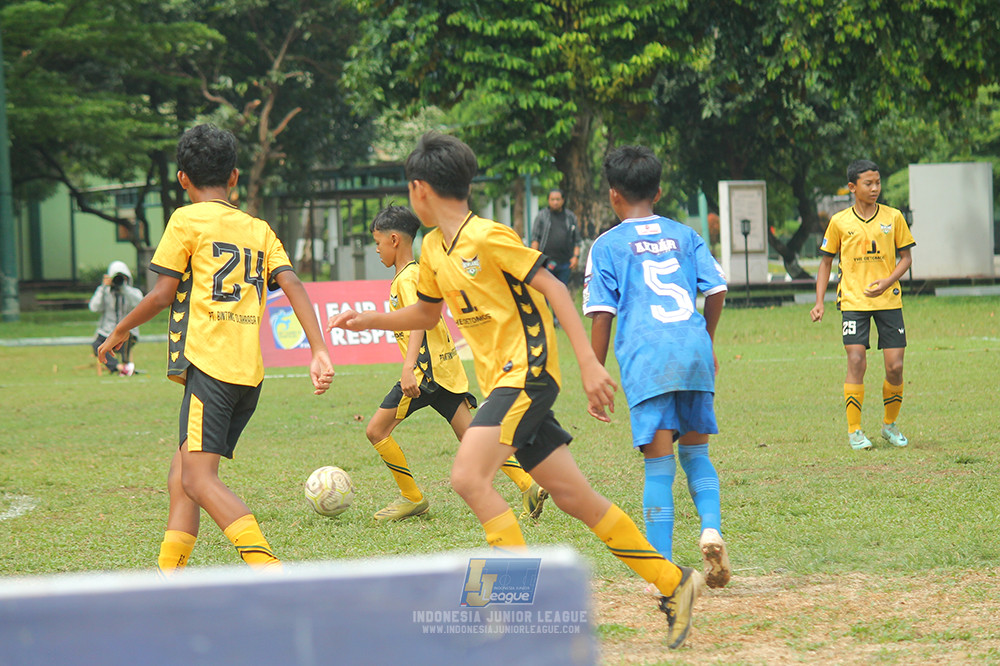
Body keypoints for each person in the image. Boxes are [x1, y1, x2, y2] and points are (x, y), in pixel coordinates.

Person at [328, 132, 702, 650]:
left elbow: (552, 288)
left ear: (419, 190)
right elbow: (427, 313)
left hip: (527, 373)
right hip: (503, 381)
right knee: (576, 498)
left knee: (467, 475)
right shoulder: (435, 248)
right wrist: (368, 318)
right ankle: (674, 583)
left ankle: (503, 615)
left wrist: (590, 363)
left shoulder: (488, 236)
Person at [99, 124, 334, 576]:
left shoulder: (185, 220)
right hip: (247, 375)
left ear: (183, 178)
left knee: (198, 480)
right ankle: (169, 579)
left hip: (210, 369)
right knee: (180, 479)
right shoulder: (259, 229)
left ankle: (272, 571)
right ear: (235, 177)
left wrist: (120, 329)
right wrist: (318, 349)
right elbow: (294, 284)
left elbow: (162, 293)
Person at [583, 145, 732, 590]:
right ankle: (710, 527)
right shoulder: (686, 236)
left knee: (659, 467)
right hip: (693, 350)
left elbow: (602, 315)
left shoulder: (607, 245)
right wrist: (705, 338)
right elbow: (718, 289)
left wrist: (595, 370)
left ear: (613, 196)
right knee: (697, 453)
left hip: (648, 359)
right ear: (659, 191)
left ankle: (663, 568)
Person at [364, 204, 547, 521]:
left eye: (378, 243)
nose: (377, 250)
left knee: (376, 431)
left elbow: (418, 323)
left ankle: (412, 496)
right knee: (471, 434)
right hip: (445, 370)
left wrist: (409, 368)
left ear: (394, 240)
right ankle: (527, 484)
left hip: (425, 374)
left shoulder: (407, 278)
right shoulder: (415, 274)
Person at [810, 159, 915, 450]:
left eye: (877, 182)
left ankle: (889, 426)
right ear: (852, 187)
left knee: (895, 367)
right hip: (853, 301)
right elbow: (826, 262)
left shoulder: (893, 217)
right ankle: (855, 431)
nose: (875, 188)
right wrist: (819, 301)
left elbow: (906, 258)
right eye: (868, 183)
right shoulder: (839, 222)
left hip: (888, 301)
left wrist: (886, 281)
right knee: (856, 359)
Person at [89, 260, 143, 376]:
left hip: (127, 332)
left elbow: (139, 303)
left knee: (126, 338)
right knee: (96, 345)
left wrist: (124, 288)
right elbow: (94, 307)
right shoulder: (104, 292)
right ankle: (120, 367)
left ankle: (125, 365)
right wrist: (103, 287)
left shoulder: (132, 292)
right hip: (107, 331)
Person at [531, 189, 582, 287]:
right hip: (546, 262)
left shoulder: (570, 217)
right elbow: (535, 239)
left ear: (563, 200)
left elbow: (577, 240)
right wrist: (534, 257)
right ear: (548, 201)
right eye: (552, 199)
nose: (555, 202)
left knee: (562, 290)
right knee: (545, 290)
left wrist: (575, 257)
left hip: (565, 262)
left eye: (558, 199)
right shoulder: (542, 216)